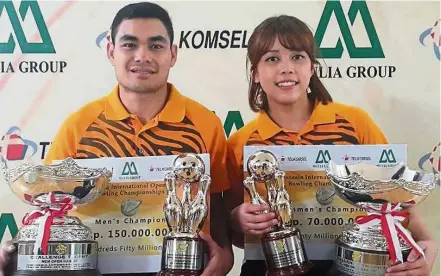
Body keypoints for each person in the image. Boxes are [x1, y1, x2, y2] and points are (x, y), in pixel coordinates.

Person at [0, 2, 233, 276]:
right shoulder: (77, 127)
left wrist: (225, 257)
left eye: (156, 46)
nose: (142, 56)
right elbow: (53, 211)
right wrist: (20, 257)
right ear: (111, 51)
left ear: (173, 54)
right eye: (129, 44)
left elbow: (214, 209)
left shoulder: (206, 124)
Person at [226, 15, 438, 276]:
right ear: (255, 73)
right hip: (273, 266)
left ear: (312, 68)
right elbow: (237, 237)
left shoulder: (355, 123)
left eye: (297, 57)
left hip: (351, 265)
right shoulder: (240, 143)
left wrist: (426, 242)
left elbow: (396, 199)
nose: (286, 68)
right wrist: (239, 219)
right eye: (272, 59)